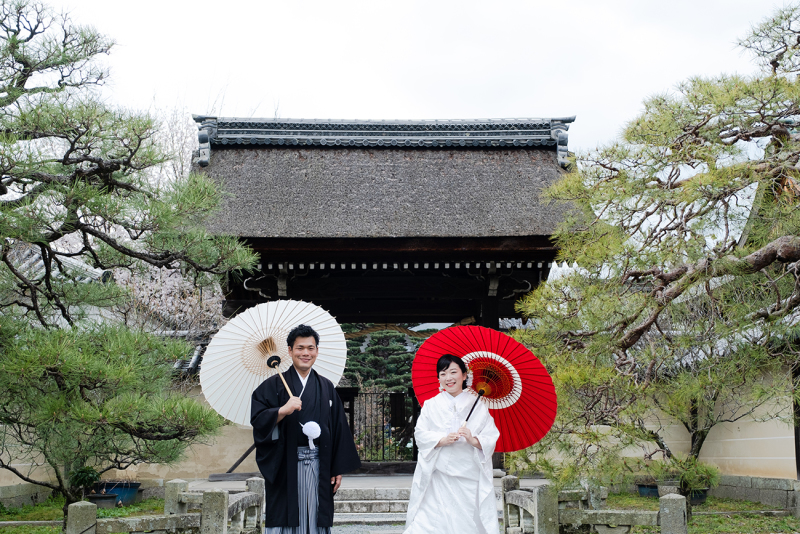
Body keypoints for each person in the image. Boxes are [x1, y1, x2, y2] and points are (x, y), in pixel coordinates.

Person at [251, 324, 361, 533]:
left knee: (316, 516)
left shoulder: (326, 386)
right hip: (286, 465)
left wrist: (337, 468)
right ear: (290, 351)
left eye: (311, 348)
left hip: (320, 465)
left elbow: (338, 428)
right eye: (300, 348)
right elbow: (258, 420)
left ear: (317, 351)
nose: (305, 353)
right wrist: (282, 411)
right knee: (287, 515)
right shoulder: (273, 385)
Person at [404, 354, 500, 534]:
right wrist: (442, 440)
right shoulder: (431, 405)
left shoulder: (478, 405)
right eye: (443, 373)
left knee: (465, 524)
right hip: (438, 476)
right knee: (429, 522)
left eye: (454, 372)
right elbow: (420, 434)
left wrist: (473, 439)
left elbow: (490, 436)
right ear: (438, 378)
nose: (448, 378)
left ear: (464, 375)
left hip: (468, 476)